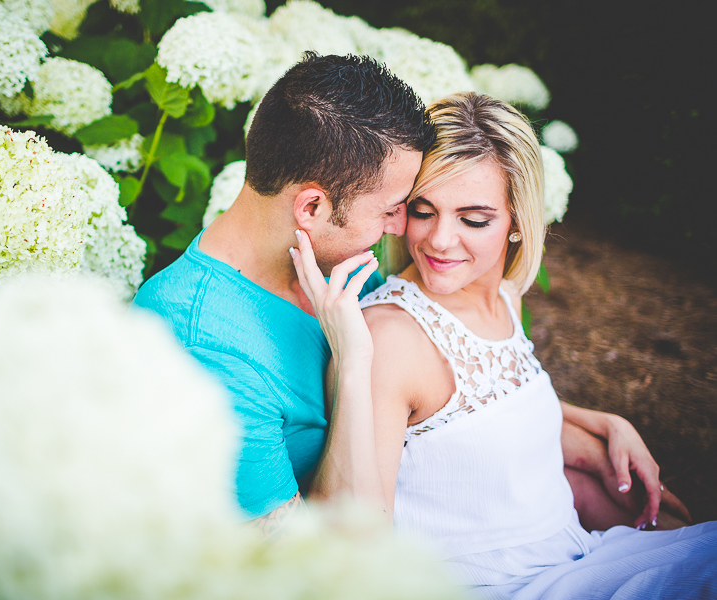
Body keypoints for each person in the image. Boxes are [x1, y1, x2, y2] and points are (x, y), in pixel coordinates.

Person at [134, 53, 678, 537]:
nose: (406, 231)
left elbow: (452, 406)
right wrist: (353, 362)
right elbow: (319, 566)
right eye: (396, 208)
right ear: (312, 208)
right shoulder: (202, 348)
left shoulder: (335, 258)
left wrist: (595, 427)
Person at [292, 91, 716, 598]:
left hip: (577, 555)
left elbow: (484, 411)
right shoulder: (389, 338)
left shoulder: (503, 299)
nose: (440, 241)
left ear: (518, 219)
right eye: (423, 211)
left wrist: (603, 422)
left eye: (473, 219)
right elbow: (350, 544)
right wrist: (354, 361)